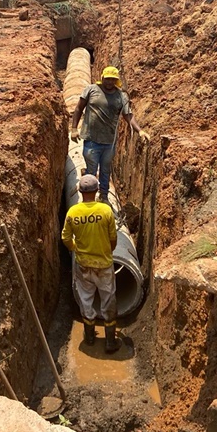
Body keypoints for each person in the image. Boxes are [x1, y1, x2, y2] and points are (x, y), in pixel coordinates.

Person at [70, 66, 148, 204]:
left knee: (105, 171)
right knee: (91, 172)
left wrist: (139, 130)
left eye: (113, 79)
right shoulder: (91, 89)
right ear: (102, 77)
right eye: (108, 79)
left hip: (109, 142)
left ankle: (104, 197)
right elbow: (78, 108)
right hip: (91, 139)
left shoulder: (121, 96)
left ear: (116, 80)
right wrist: (74, 128)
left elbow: (128, 115)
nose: (110, 82)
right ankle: (89, 200)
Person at [61, 173, 120, 352]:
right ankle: (110, 341)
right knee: (108, 298)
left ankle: (89, 337)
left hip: (83, 263)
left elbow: (65, 237)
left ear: (79, 190)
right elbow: (113, 238)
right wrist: (107, 251)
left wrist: (75, 249)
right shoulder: (105, 211)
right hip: (103, 263)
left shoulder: (73, 212)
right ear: (96, 191)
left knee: (86, 299)